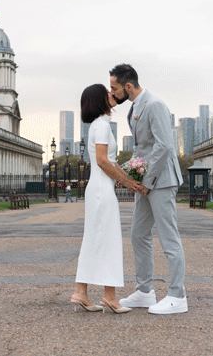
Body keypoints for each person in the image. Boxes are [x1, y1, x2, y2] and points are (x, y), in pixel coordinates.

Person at [111, 63, 188, 315]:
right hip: (146, 181)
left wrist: (146, 181)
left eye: (115, 88)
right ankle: (145, 292)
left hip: (162, 180)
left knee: (169, 238)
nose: (112, 94)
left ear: (128, 86)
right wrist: (133, 177)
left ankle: (178, 295)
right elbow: (141, 149)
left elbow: (165, 146)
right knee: (138, 233)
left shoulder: (154, 105)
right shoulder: (134, 108)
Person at [72, 83, 147, 314]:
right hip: (102, 191)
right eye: (107, 92)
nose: (112, 94)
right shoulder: (102, 126)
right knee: (109, 240)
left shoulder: (99, 125)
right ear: (98, 100)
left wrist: (131, 181)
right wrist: (126, 182)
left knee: (95, 239)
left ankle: (82, 292)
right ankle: (110, 297)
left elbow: (111, 162)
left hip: (98, 189)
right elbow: (104, 162)